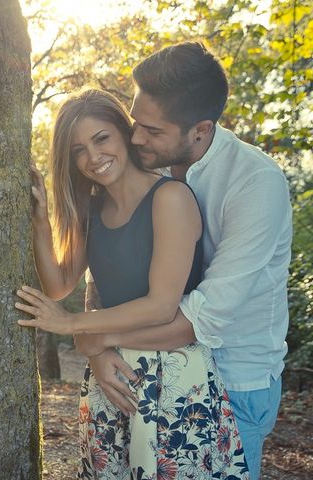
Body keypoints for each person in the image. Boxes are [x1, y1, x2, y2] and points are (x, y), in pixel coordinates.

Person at [75, 41, 292, 480]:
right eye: (136, 123)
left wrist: (94, 339)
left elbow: (201, 319)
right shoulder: (145, 162)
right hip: (145, 371)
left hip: (234, 380)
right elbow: (111, 265)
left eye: (152, 131)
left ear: (200, 129)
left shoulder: (255, 185)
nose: (136, 138)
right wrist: (97, 346)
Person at [15, 89, 249, 479]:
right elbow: (58, 286)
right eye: (78, 151)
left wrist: (73, 325)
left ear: (125, 133)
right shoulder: (91, 210)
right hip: (111, 377)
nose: (93, 158)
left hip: (174, 377)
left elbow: (162, 304)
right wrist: (41, 223)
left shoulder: (170, 198)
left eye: (101, 138)